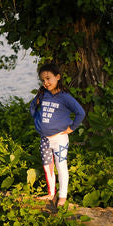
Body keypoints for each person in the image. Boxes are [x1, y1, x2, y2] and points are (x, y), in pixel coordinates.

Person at [30, 63, 85, 207]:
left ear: (58, 77)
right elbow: (32, 107)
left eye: (48, 78)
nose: (46, 83)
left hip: (59, 139)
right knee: (47, 166)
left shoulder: (64, 97)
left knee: (61, 166)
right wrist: (38, 122)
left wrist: (71, 128)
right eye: (43, 80)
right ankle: (51, 193)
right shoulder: (43, 94)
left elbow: (80, 113)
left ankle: (62, 196)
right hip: (44, 139)